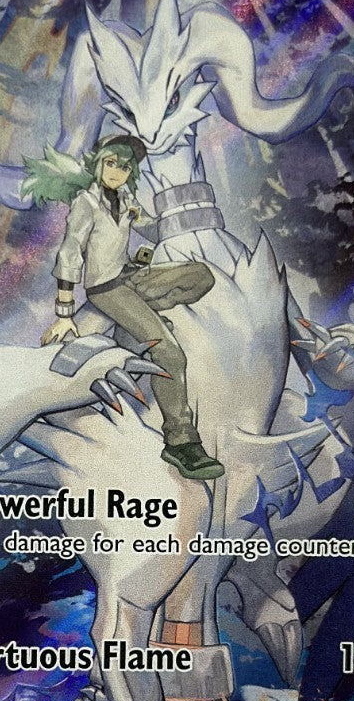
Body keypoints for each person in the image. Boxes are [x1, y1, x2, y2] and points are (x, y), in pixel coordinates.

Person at [25, 134, 223, 481]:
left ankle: (139, 320)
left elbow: (154, 230)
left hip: (130, 275)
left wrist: (168, 214)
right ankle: (180, 441)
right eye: (111, 163)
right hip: (106, 289)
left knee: (201, 276)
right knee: (170, 353)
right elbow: (70, 253)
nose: (116, 172)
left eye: (125, 167)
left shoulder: (126, 199)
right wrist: (64, 313)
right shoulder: (87, 202)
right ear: (98, 164)